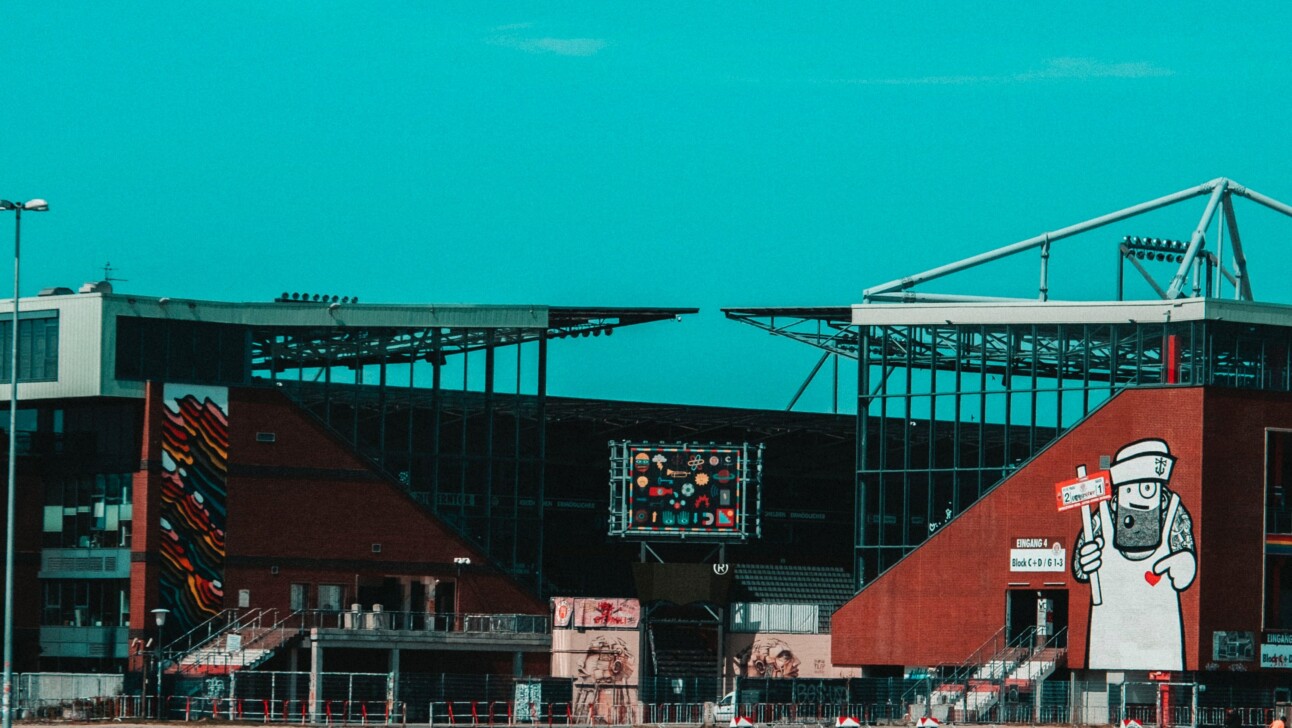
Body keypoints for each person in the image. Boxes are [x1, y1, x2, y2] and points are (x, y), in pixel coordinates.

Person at [1072, 438, 1197, 670]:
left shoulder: (1173, 514)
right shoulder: (1103, 516)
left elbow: (1186, 558)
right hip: (1108, 642)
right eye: (1129, 488)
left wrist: (1184, 566)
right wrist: (1085, 560)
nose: (1138, 499)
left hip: (1161, 643)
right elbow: (1080, 568)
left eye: (1147, 489)